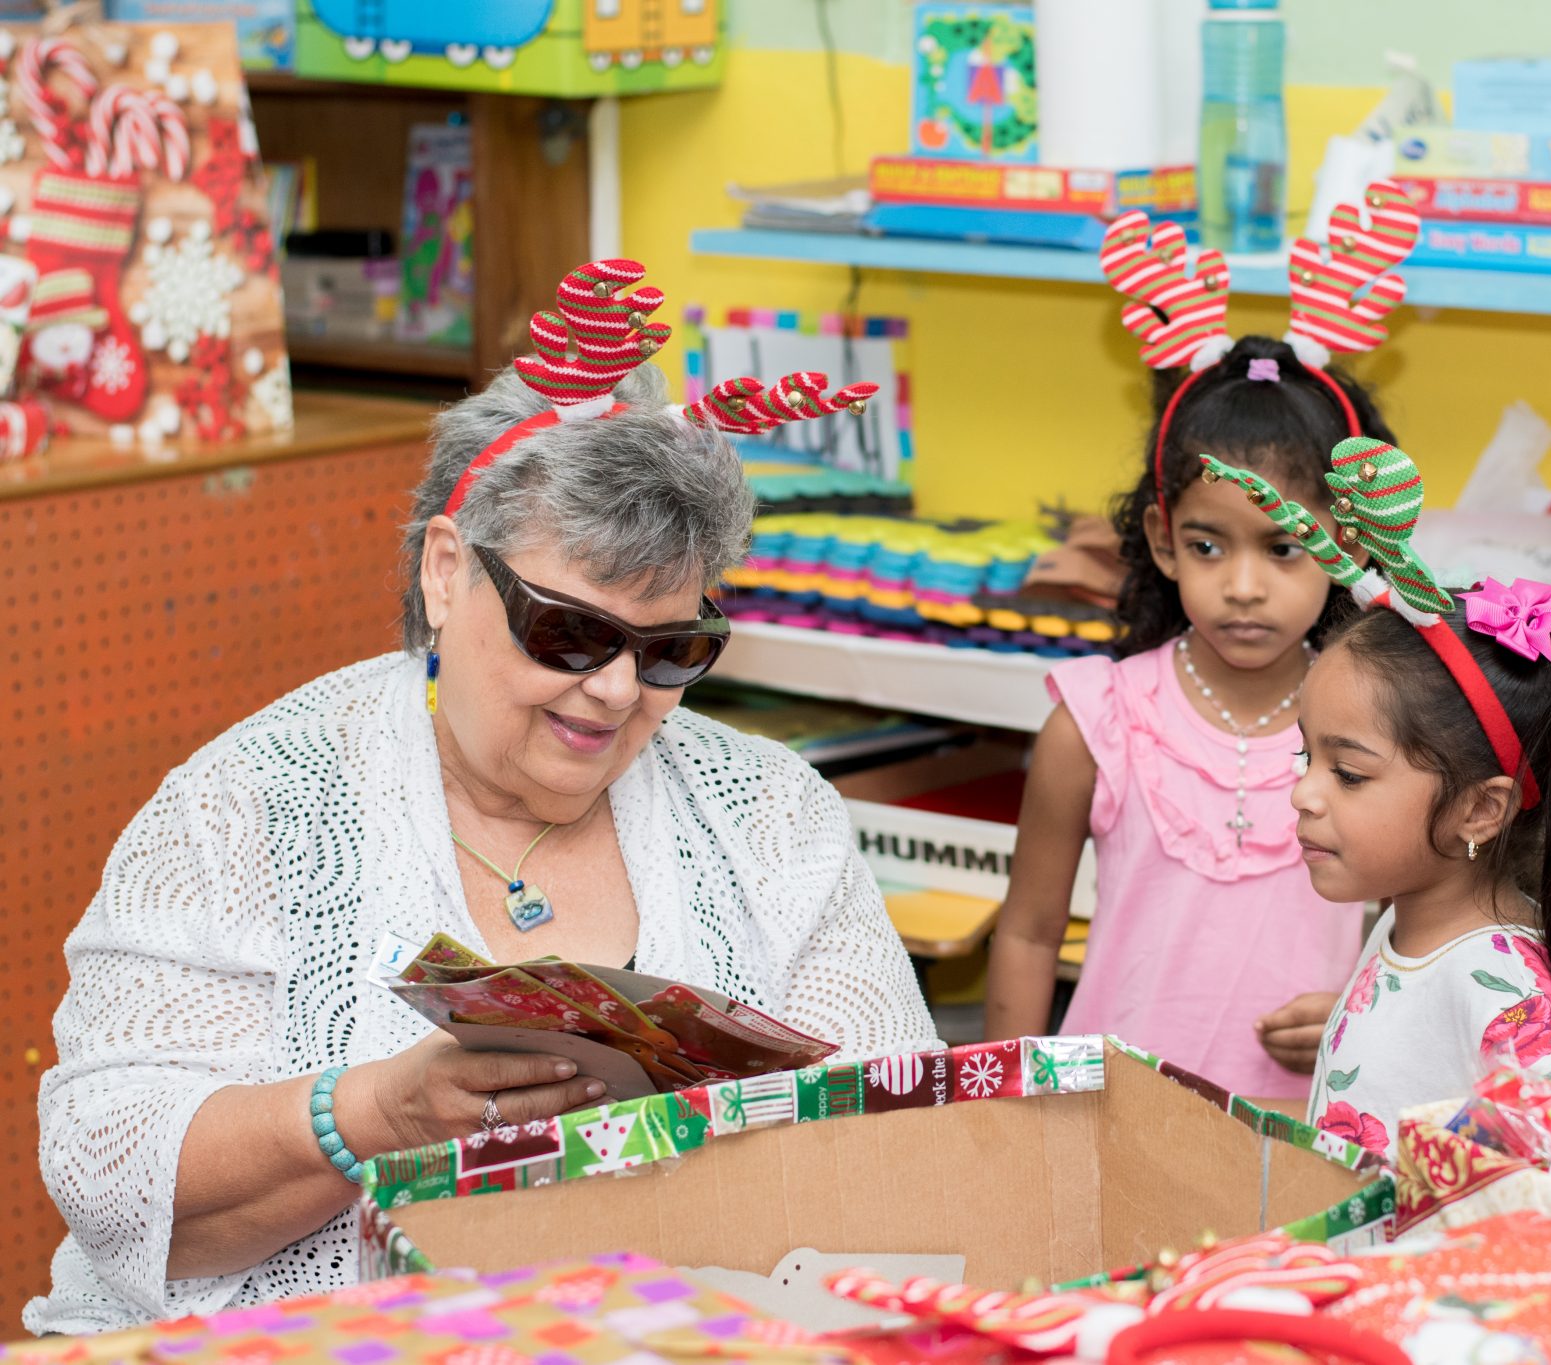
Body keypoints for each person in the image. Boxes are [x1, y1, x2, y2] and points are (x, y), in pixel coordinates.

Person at [28, 260, 937, 1335]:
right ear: (446, 571)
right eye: (569, 633)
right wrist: (369, 1115)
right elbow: (113, 1183)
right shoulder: (248, 807)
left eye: (671, 651)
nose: (615, 691)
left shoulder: (768, 815)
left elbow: (906, 1149)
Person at [986, 186, 1427, 1098]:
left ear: (1347, 542)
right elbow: (1027, 933)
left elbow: (1429, 934)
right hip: (1107, 1126)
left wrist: (1362, 1007)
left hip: (1302, 1133)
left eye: (1284, 547)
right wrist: (1000, 1117)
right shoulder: (1097, 723)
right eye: (1208, 546)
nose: (1244, 586)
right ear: (1161, 540)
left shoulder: (1382, 729)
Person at [1208, 440, 1551, 1156]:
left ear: (1480, 810)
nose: (1303, 793)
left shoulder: (1504, 990)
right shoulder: (1406, 923)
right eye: (1306, 756)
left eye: (1349, 774)